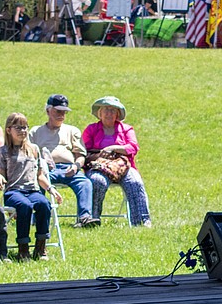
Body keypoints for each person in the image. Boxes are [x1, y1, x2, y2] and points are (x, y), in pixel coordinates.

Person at [0, 112, 61, 260]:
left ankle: (41, 247)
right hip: (13, 191)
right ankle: (23, 248)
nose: (22, 131)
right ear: (8, 130)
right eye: (18, 127)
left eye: (25, 127)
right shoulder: (4, 151)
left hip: (33, 190)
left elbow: (40, 176)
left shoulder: (34, 149)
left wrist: (51, 189)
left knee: (43, 204)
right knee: (24, 206)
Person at [28, 94, 98, 228]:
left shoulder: (72, 131)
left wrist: (76, 166)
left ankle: (84, 217)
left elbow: (80, 155)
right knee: (37, 183)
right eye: (58, 111)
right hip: (45, 170)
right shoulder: (35, 132)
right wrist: (41, 165)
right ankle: (38, 217)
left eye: (64, 112)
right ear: (48, 111)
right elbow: (29, 154)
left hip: (69, 169)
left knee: (85, 183)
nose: (61, 115)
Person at [82, 96, 152, 227]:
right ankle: (92, 219)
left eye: (113, 110)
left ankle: (142, 221)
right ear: (100, 113)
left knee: (135, 182)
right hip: (99, 165)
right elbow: (84, 150)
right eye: (106, 110)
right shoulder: (91, 129)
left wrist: (114, 148)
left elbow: (133, 147)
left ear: (118, 114)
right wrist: (101, 154)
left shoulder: (126, 129)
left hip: (123, 166)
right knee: (97, 181)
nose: (109, 113)